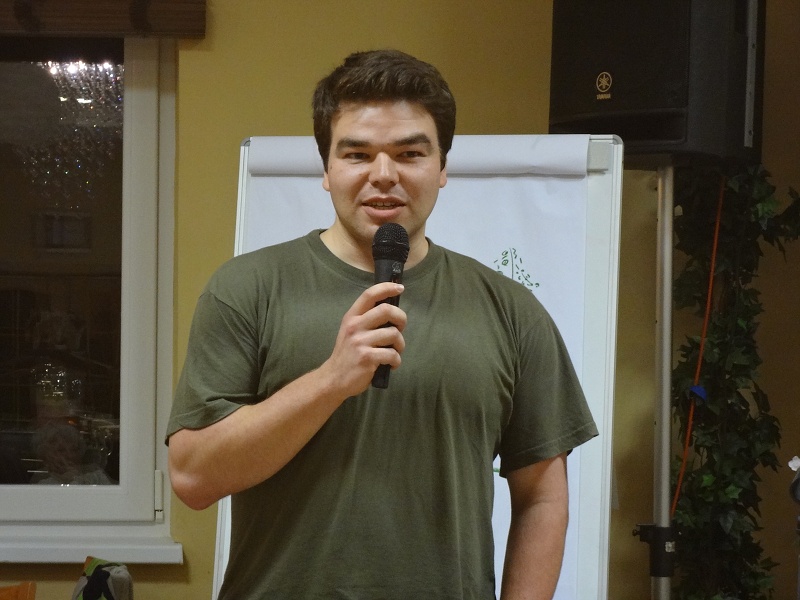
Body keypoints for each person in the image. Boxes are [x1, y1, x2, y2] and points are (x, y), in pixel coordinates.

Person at [167, 49, 598, 599]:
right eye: (357, 154)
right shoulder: (247, 290)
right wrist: (330, 381)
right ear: (327, 170)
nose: (384, 175)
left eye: (410, 153)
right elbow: (193, 478)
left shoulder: (510, 309)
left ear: (442, 168)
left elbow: (542, 497)